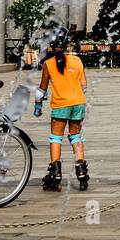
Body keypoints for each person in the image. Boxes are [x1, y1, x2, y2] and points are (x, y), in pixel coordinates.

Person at [33, 28, 91, 191]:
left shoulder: (48, 65)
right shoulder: (78, 61)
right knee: (75, 136)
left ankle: (55, 173)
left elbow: (41, 90)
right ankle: (81, 170)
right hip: (78, 103)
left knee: (55, 138)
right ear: (67, 45)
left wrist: (38, 106)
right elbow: (84, 86)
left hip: (60, 105)